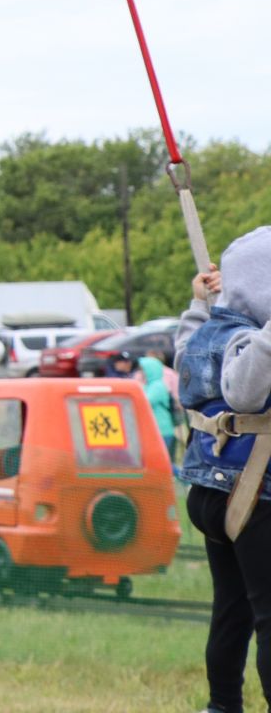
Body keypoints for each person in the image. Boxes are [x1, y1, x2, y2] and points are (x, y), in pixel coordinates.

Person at [176, 232, 271, 713]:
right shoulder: (253, 340)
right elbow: (244, 394)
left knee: (231, 611)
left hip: (211, 492)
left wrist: (198, 304)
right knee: (268, 618)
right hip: (255, 496)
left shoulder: (206, 330)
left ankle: (222, 705)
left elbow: (184, 359)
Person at [138, 352, 177, 461]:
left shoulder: (157, 386)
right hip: (156, 430)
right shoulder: (150, 385)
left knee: (164, 464)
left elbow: (145, 402)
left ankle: (184, 478)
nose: (141, 373)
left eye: (143, 369)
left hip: (162, 430)